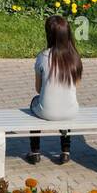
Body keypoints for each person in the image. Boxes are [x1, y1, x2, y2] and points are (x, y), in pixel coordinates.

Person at [27, 14, 83, 165]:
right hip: (71, 110)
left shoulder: (43, 57)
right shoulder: (75, 57)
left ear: (49, 35)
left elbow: (38, 89)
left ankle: (35, 151)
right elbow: (76, 85)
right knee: (65, 103)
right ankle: (65, 151)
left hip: (46, 111)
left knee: (34, 102)